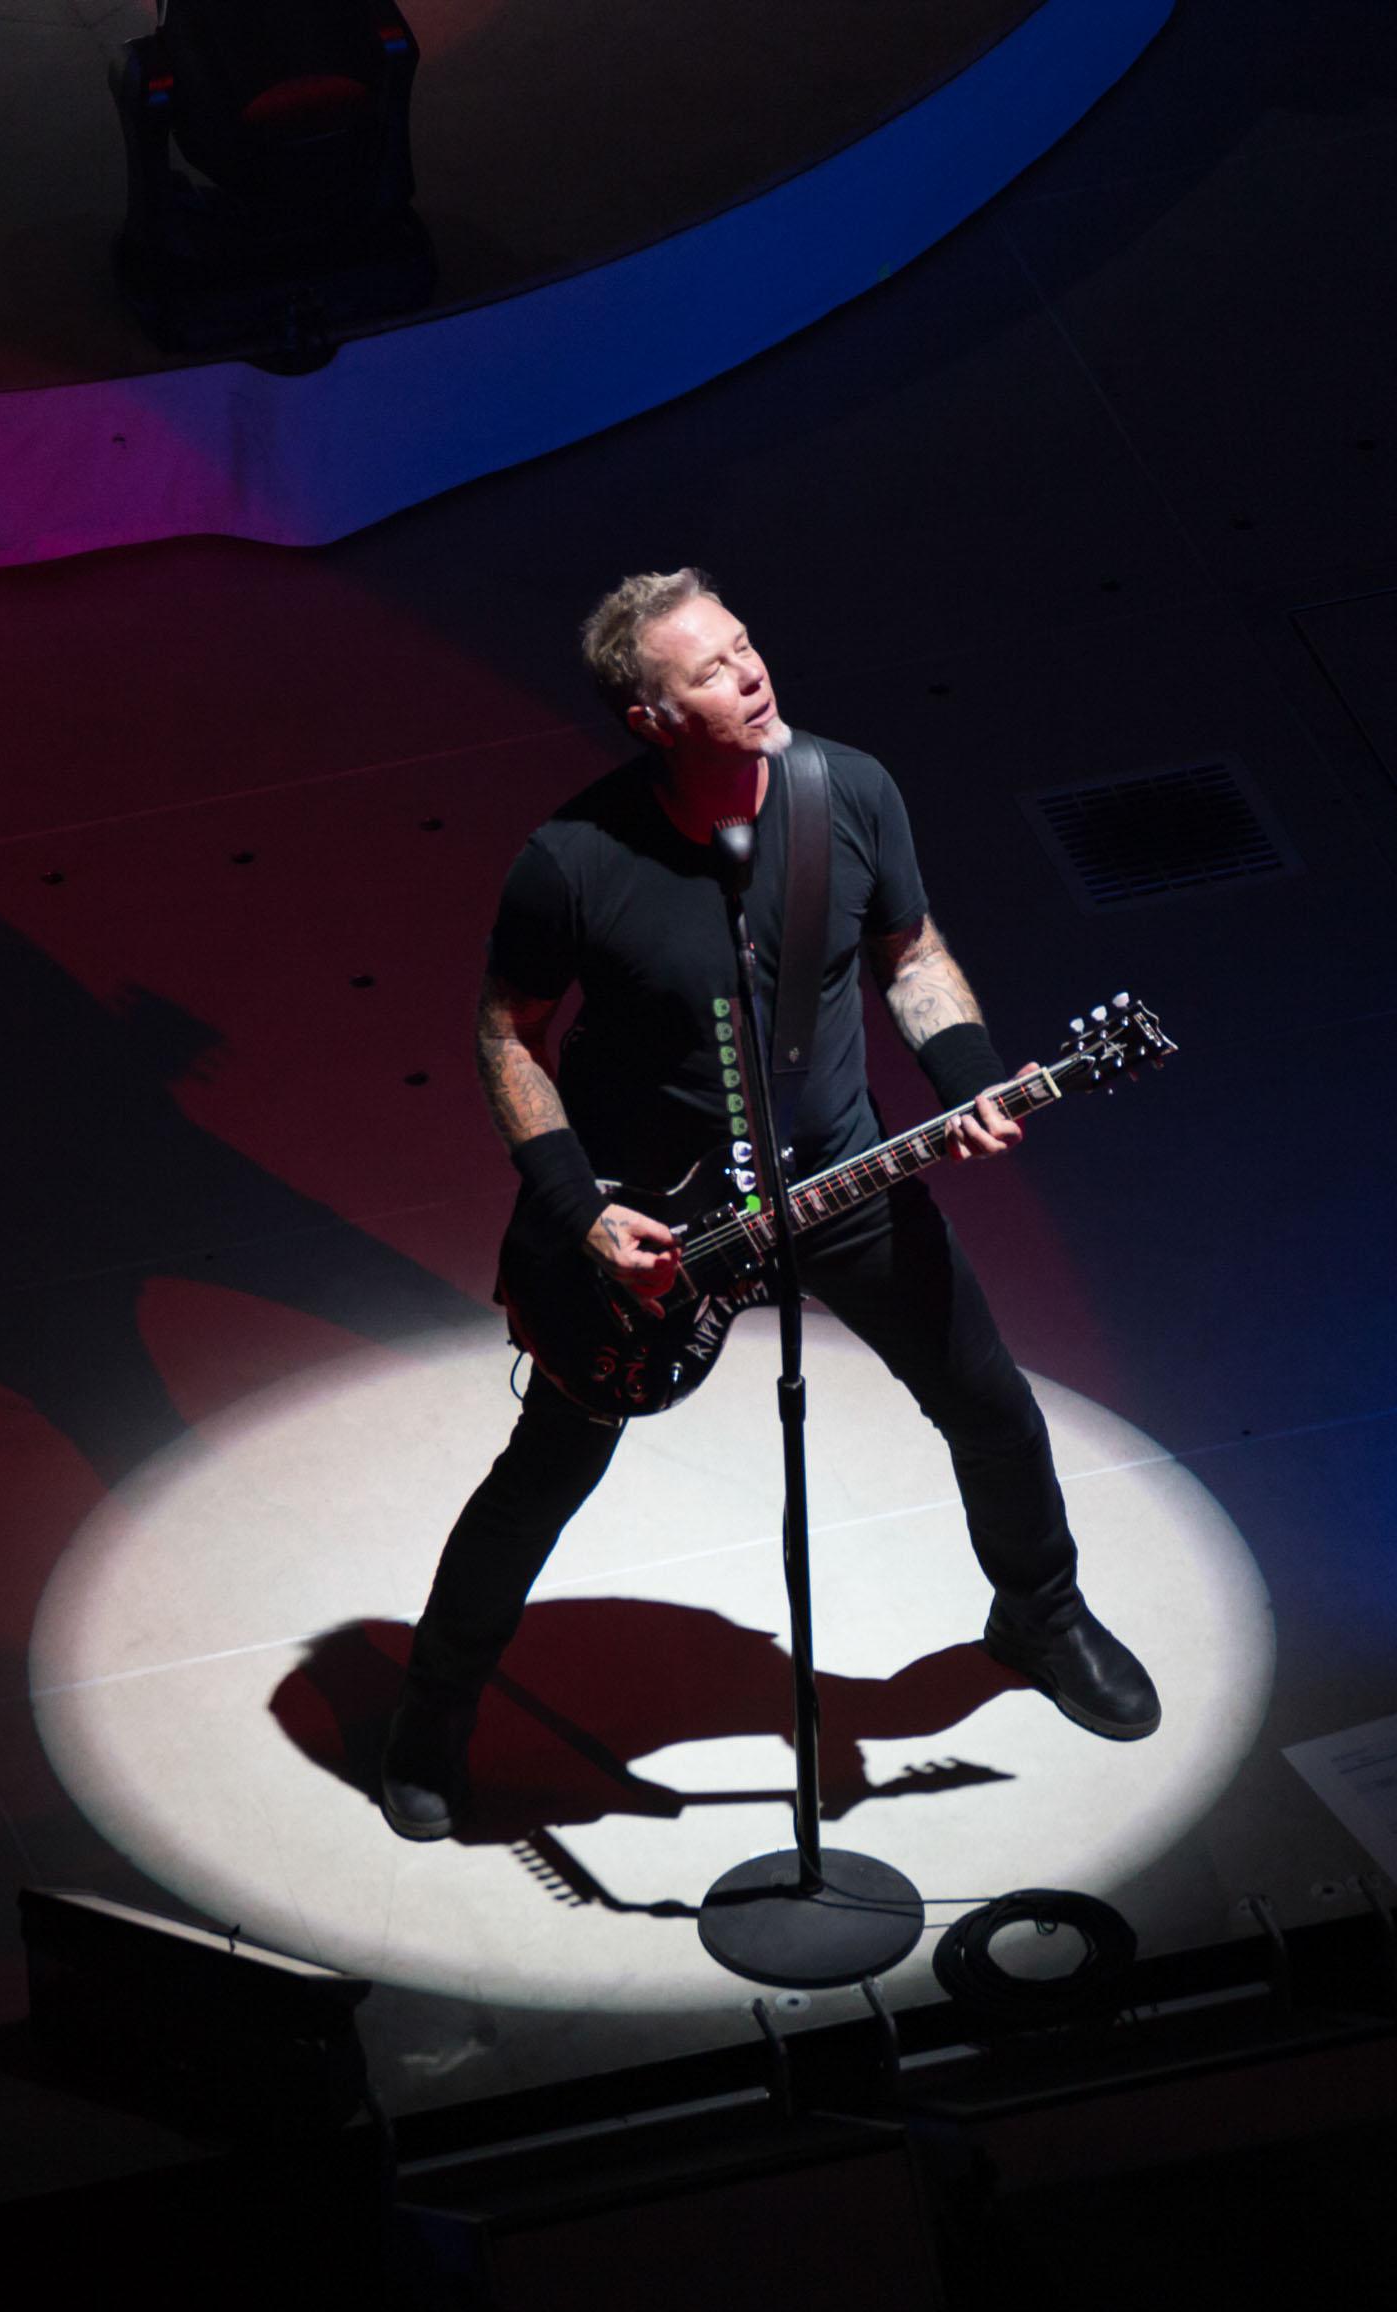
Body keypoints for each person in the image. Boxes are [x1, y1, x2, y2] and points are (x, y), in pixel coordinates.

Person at [379, 569, 1159, 1842]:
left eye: (745, 646)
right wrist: (582, 1214)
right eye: (712, 670)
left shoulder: (848, 791)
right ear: (650, 718)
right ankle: (433, 1706)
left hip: (839, 1178)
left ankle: (1042, 1615)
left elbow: (911, 952)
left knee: (991, 1409)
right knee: (545, 1474)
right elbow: (507, 1036)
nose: (751, 673)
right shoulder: (571, 862)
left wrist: (967, 1076)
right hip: (654, 1228)